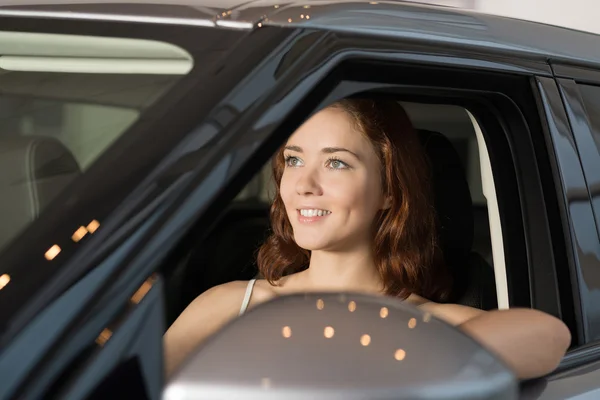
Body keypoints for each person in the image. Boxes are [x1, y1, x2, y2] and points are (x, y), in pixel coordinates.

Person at [164, 98, 571, 380]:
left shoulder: (424, 322)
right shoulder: (229, 304)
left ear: (389, 190)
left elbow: (549, 337)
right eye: (294, 159)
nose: (304, 184)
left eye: (336, 162)